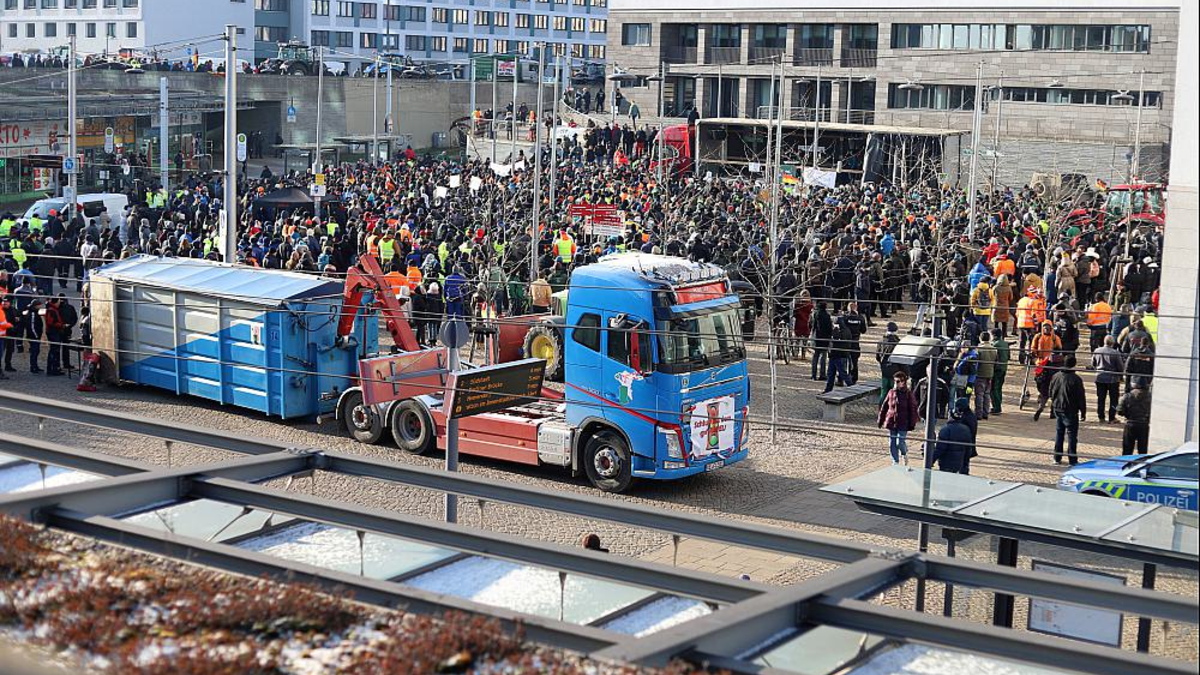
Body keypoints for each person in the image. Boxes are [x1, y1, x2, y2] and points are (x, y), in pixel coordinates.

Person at [1048, 354, 1087, 466]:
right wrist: (1083, 412)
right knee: (1071, 435)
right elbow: (1081, 397)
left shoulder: (1056, 376)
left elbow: (1050, 392)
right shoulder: (1076, 379)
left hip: (1058, 408)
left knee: (1059, 433)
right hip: (1070, 410)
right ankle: (1072, 460)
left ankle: (1057, 457)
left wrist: (1054, 403)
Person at [877, 370, 920, 465]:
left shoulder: (908, 394)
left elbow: (913, 409)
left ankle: (904, 453)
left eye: (898, 381)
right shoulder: (891, 392)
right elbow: (884, 407)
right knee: (892, 443)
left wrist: (912, 423)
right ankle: (895, 461)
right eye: (895, 381)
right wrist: (880, 420)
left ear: (903, 382)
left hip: (903, 422)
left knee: (899, 442)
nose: (896, 383)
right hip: (891, 421)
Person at [931, 399, 974, 474]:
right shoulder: (966, 429)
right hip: (959, 463)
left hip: (946, 463)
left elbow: (940, 449)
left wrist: (931, 460)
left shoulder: (945, 430)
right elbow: (968, 450)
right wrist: (965, 465)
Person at [1090, 335, 1124, 423]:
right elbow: (1120, 367)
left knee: (1101, 398)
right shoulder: (1115, 353)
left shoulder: (1097, 351)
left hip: (1100, 377)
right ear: (1113, 343)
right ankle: (1112, 417)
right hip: (1113, 379)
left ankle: (1101, 416)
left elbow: (1093, 363)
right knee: (1113, 399)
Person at [1116, 378, 1152, 454]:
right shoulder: (1150, 397)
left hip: (1130, 423)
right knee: (1143, 450)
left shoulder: (1127, 396)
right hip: (1144, 424)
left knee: (1127, 449)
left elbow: (1120, 411)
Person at [823, 313, 853, 393]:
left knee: (843, 374)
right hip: (836, 355)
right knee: (831, 374)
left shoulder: (840, 331)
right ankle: (828, 389)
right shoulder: (847, 330)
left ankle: (852, 388)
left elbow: (836, 339)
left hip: (839, 355)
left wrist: (835, 330)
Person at [875, 321, 901, 401]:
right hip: (895, 372)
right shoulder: (898, 343)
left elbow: (877, 357)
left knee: (884, 392)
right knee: (895, 393)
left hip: (884, 371)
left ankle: (882, 407)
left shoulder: (881, 341)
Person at [974, 334, 997, 420]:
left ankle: (978, 413)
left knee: (979, 394)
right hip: (990, 373)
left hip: (980, 374)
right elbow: (996, 361)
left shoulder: (979, 349)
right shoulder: (994, 349)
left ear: (980, 338)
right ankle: (985, 412)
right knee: (987, 394)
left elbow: (976, 362)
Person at [989, 328, 1009, 415]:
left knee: (994, 389)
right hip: (1004, 368)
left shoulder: (995, 344)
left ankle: (996, 407)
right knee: (999, 388)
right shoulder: (1005, 343)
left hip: (997, 369)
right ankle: (998, 405)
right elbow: (1008, 356)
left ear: (994, 335)